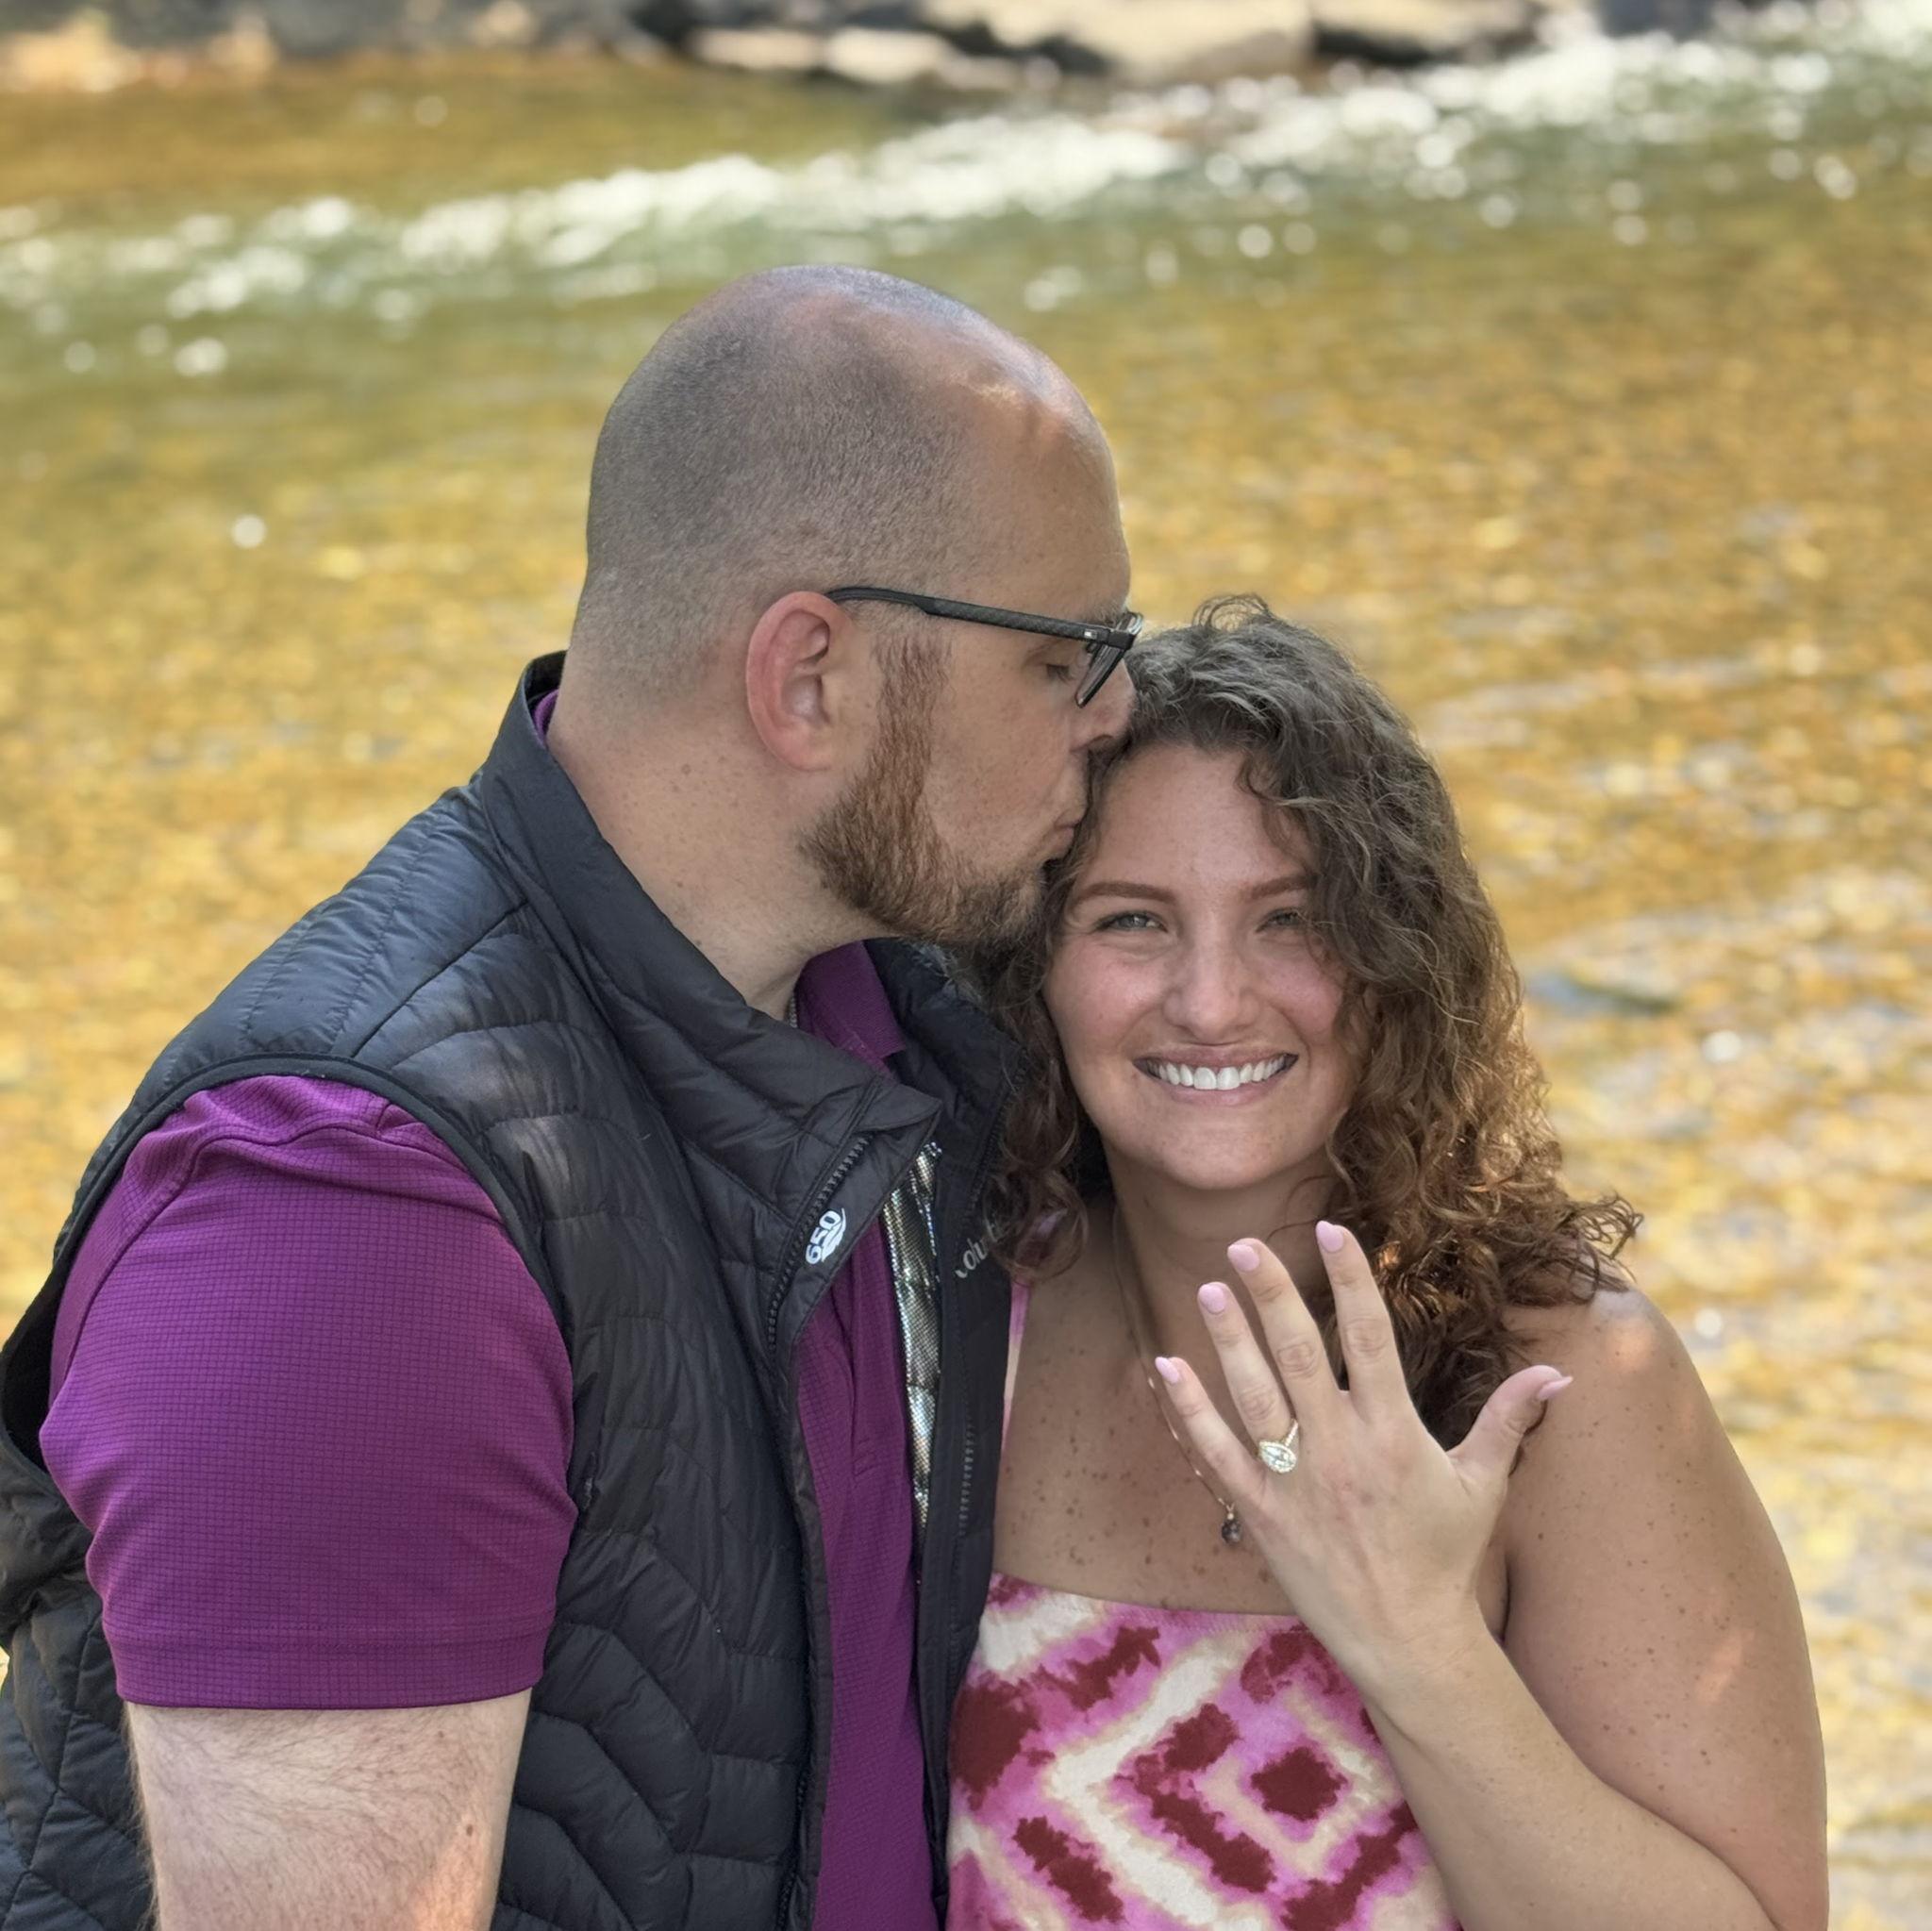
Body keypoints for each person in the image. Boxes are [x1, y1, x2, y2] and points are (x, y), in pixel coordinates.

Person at [0, 265, 1140, 1931]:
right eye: (1072, 653)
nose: (1121, 712)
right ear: (806, 677)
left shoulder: (902, 1005)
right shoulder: (347, 1213)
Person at [947, 598, 1827, 1931]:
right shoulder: (966, 1318)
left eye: (1289, 919)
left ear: (1394, 958)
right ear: (1034, 967)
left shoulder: (1566, 1390)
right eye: (1131, 921)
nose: (1208, 1000)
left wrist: (1414, 1644)